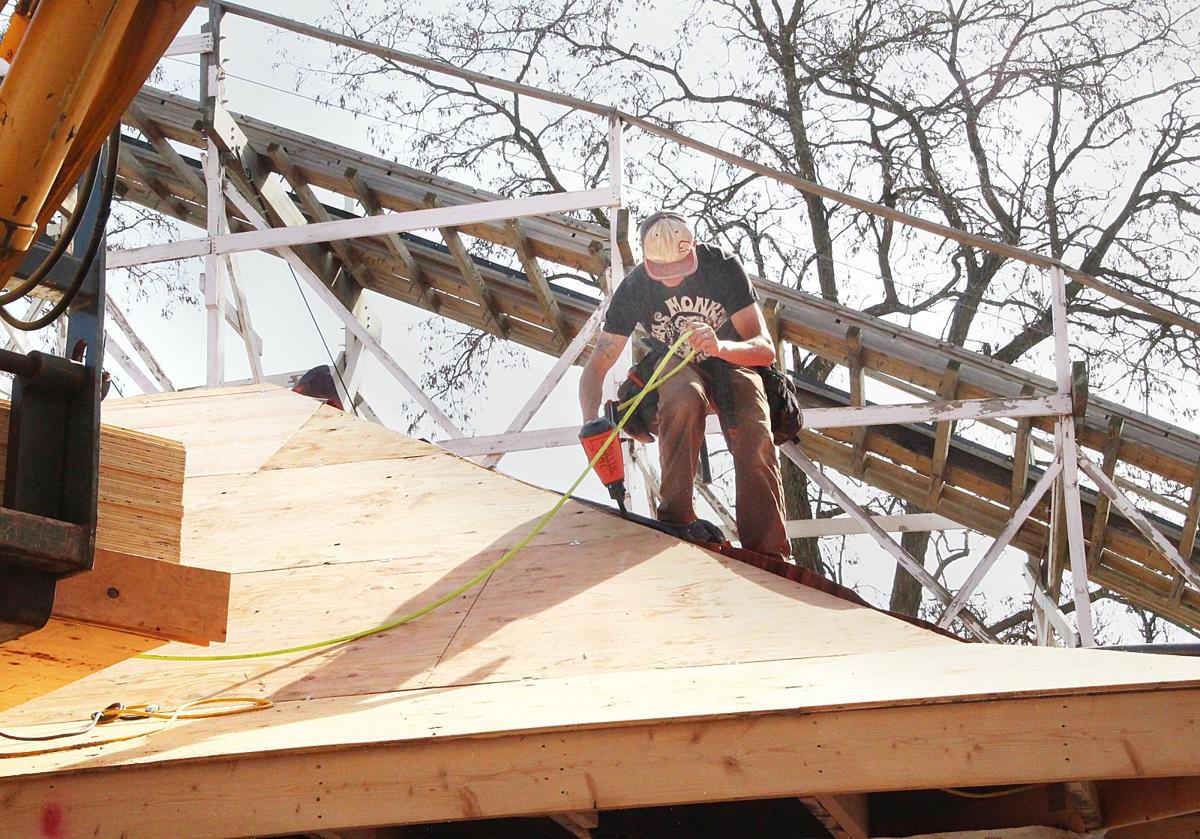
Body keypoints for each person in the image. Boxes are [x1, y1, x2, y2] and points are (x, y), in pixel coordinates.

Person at [578, 211, 790, 560]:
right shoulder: (635, 287)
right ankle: (676, 518)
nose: (673, 279)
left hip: (731, 357)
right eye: (664, 274)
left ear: (692, 250)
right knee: (682, 399)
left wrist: (720, 346)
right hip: (676, 362)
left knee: (753, 432)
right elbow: (600, 358)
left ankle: (769, 551)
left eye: (681, 269)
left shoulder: (721, 267)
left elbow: (764, 349)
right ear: (647, 264)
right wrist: (592, 423)